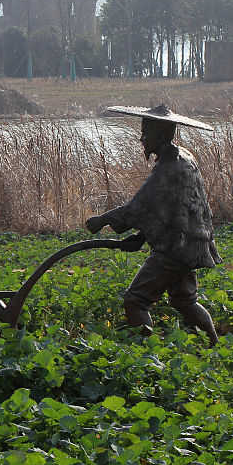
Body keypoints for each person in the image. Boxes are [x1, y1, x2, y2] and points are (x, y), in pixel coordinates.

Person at [85, 104, 221, 344]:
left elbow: (139, 205)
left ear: (161, 136)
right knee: (185, 300)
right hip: (187, 243)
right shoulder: (183, 157)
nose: (141, 139)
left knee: (135, 300)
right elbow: (168, 209)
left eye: (146, 134)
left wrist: (103, 219)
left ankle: (149, 354)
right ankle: (214, 344)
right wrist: (141, 236)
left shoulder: (169, 166)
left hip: (175, 248)